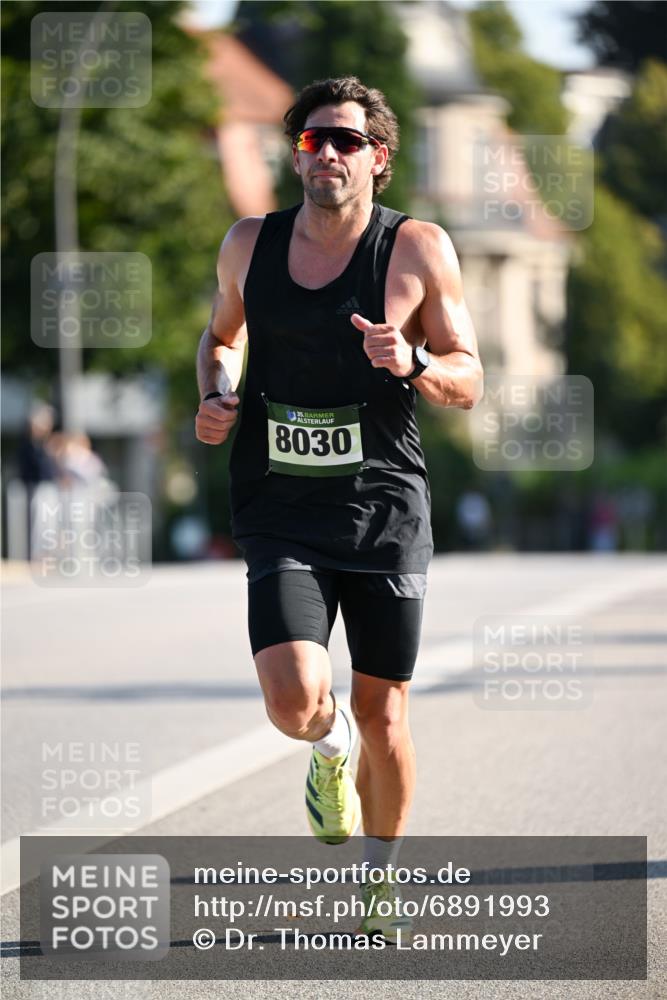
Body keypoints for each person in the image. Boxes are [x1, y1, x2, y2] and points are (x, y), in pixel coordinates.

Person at [195, 76, 483, 944]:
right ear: (296, 155)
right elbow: (221, 337)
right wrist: (215, 391)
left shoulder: (417, 249)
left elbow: (468, 378)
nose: (325, 152)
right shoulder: (249, 242)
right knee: (294, 700)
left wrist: (413, 363)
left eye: (345, 140)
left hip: (383, 509)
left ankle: (379, 880)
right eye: (311, 139)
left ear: (377, 157)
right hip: (279, 503)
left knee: (383, 714)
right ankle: (325, 752)